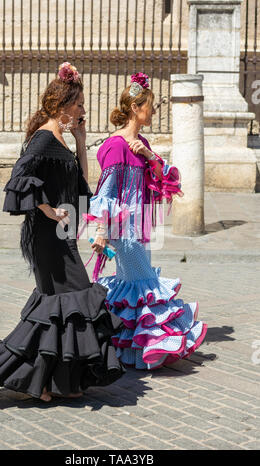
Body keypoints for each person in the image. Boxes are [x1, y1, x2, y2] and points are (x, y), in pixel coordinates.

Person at [0, 63, 125, 401]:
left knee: (62, 307)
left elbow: (81, 184)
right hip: (48, 239)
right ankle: (35, 379)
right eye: (79, 104)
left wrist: (81, 142)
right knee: (71, 300)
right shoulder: (43, 138)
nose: (83, 111)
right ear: (63, 105)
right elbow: (20, 176)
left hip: (61, 236)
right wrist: (48, 210)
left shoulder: (60, 138)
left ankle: (50, 382)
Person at [83, 73, 208, 370]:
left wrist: (150, 155)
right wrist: (101, 231)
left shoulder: (141, 142)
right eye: (150, 106)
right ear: (136, 108)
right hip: (122, 229)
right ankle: (155, 343)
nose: (153, 112)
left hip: (140, 226)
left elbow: (166, 181)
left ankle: (124, 346)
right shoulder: (115, 146)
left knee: (132, 284)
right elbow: (106, 192)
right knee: (145, 283)